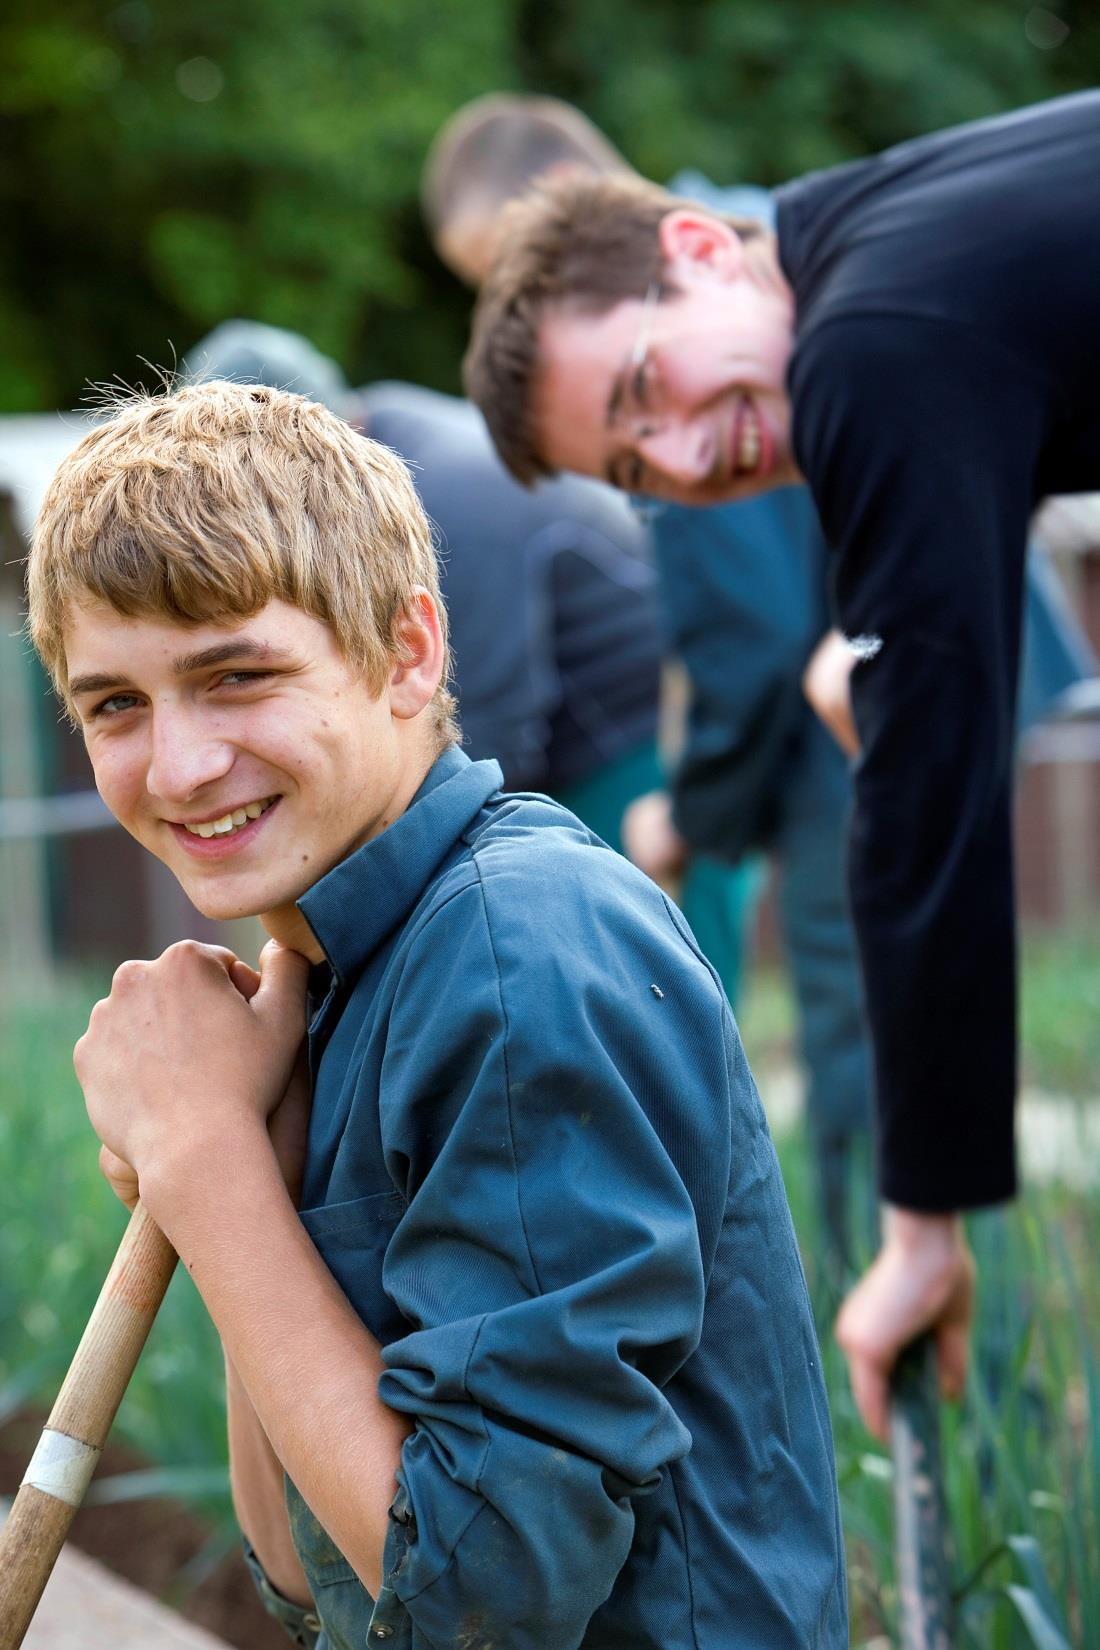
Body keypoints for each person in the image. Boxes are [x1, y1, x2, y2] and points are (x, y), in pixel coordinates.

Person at [27, 380, 847, 1648]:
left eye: (236, 675)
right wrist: (250, 1147)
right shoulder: (345, 970)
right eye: (115, 705)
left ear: (408, 653)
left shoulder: (516, 953)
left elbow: (480, 1602)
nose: (178, 766)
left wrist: (202, 1164)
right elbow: (303, 1573)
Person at [463, 90, 1100, 1438]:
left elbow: (928, 789)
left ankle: (979, 1412)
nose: (694, 460)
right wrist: (892, 644)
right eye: (640, 462)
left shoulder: (863, 342)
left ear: (697, 248)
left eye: (650, 390)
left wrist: (923, 1224)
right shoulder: (862, 229)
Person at [426, 96, 876, 1263]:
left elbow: (747, 630)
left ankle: (921, 1412)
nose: (506, 306)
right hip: (872, 662)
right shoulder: (756, 233)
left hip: (855, 700)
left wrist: (691, 815)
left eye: (505, 271)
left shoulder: (680, 336)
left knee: (865, 1057)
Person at [184, 320, 756, 1005]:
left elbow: (475, 717)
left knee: (650, 989)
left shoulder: (443, 494)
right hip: (571, 728)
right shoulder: (377, 447)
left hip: (652, 729)